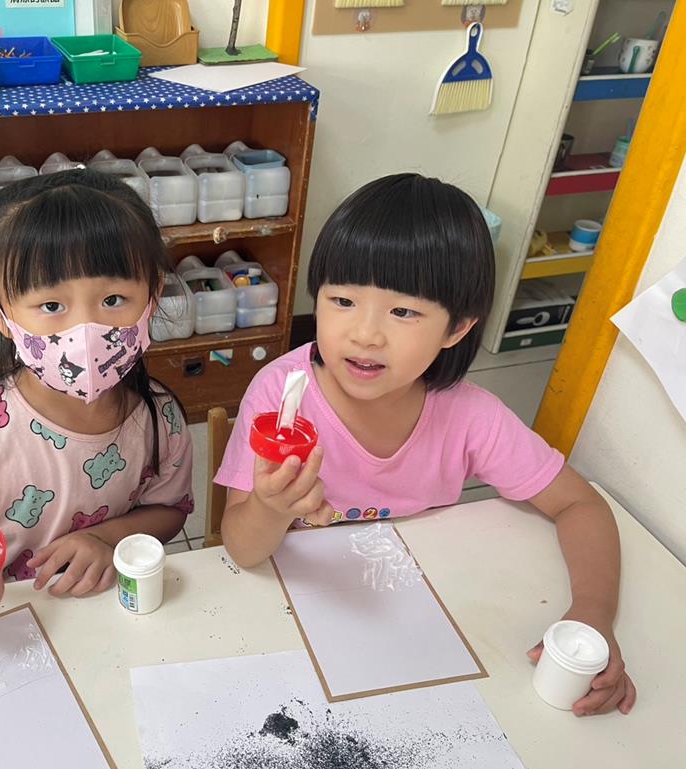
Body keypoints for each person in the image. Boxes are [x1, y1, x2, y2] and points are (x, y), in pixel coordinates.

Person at [216, 173, 635, 717]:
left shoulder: (470, 416)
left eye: (403, 311)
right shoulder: (281, 398)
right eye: (342, 300)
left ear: (456, 328)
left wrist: (593, 613)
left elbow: (580, 504)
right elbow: (241, 550)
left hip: (415, 621)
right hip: (286, 623)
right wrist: (272, 508)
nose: (365, 333)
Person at [0, 170, 193, 617]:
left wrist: (106, 538)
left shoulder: (161, 417)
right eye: (51, 305)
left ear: (153, 296)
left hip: (111, 612)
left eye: (113, 300)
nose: (85, 328)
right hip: (4, 619)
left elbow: (170, 509)